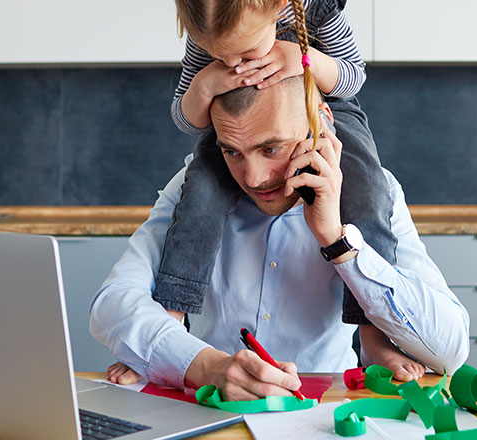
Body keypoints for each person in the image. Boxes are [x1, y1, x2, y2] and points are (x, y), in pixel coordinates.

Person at [90, 76, 470, 400]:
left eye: (271, 148)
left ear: (319, 122)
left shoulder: (374, 192)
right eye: (232, 152)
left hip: (329, 416)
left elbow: (450, 350)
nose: (253, 176)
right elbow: (112, 306)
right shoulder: (194, 191)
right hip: (212, 414)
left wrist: (338, 242)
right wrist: (204, 367)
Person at [156, 0, 402, 368]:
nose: (237, 64)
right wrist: (205, 86)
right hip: (239, 126)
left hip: (318, 105)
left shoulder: (315, 12)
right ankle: (169, 321)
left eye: (247, 51)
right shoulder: (206, 31)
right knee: (200, 197)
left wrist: (303, 60)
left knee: (367, 193)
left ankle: (374, 335)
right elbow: (186, 119)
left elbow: (352, 77)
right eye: (222, 57)